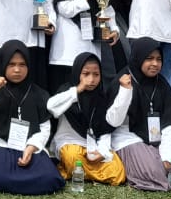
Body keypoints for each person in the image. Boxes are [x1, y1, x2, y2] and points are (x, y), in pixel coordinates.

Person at [0, 40, 65, 195]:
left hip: (27, 146)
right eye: (11, 64)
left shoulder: (38, 93)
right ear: (2, 64)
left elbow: (44, 128)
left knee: (50, 179)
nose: (17, 70)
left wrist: (32, 147)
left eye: (22, 65)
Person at [103, 37, 171, 191]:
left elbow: (170, 122)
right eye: (149, 58)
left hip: (155, 135)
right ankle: (141, 162)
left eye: (159, 59)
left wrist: (167, 157)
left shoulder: (162, 84)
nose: (155, 64)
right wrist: (125, 92)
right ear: (138, 58)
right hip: (128, 136)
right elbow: (113, 121)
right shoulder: (123, 80)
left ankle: (154, 158)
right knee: (155, 174)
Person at [47, 53, 126, 186]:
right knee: (72, 157)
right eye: (86, 74)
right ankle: (83, 172)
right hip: (70, 143)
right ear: (77, 73)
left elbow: (104, 129)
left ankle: (72, 172)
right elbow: (51, 107)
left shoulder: (101, 96)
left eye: (96, 74)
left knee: (118, 172)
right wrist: (78, 90)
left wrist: (102, 152)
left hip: (93, 145)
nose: (91, 79)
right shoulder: (67, 90)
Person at [48, 0, 114, 92]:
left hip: (91, 48)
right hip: (68, 51)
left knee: (90, 94)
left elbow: (106, 6)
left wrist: (114, 29)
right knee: (68, 93)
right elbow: (66, 9)